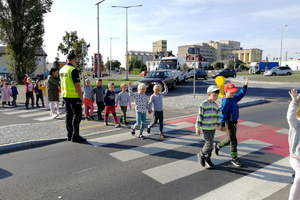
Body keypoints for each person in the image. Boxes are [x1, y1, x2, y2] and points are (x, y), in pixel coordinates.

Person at [214, 78, 249, 167]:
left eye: (233, 92)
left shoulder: (234, 98)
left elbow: (241, 94)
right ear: (226, 92)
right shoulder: (226, 102)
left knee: (230, 139)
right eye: (231, 92)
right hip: (228, 123)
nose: (233, 93)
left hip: (234, 122)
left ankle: (218, 146)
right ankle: (234, 159)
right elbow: (223, 113)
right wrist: (221, 124)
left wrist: (245, 85)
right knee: (234, 141)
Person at [195, 85, 226, 169]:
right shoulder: (203, 104)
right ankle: (201, 155)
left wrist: (220, 127)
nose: (216, 97)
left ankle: (207, 158)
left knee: (211, 146)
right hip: (205, 128)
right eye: (214, 95)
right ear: (209, 94)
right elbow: (199, 116)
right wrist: (197, 128)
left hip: (212, 129)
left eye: (217, 95)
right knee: (209, 144)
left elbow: (218, 118)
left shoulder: (216, 106)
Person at [60, 50, 86, 143]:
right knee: (77, 116)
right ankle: (75, 136)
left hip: (65, 96)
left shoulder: (62, 70)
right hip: (74, 96)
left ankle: (69, 135)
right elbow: (77, 85)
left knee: (68, 115)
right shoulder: (73, 70)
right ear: (74, 60)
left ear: (67, 60)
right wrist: (81, 97)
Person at [287, 89, 300, 200]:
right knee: (299, 176)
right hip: (296, 157)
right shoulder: (296, 123)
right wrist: (294, 102)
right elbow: (290, 118)